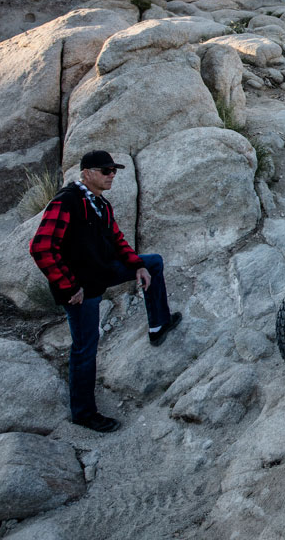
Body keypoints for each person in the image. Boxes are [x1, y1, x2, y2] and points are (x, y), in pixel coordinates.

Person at [29, 150, 181, 432]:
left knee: (153, 263)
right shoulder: (67, 202)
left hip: (99, 273)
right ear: (86, 173)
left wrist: (136, 265)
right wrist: (68, 286)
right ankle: (84, 413)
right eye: (106, 170)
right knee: (85, 348)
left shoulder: (99, 204)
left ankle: (159, 324)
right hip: (79, 289)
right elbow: (40, 248)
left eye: (114, 170)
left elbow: (116, 238)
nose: (112, 175)